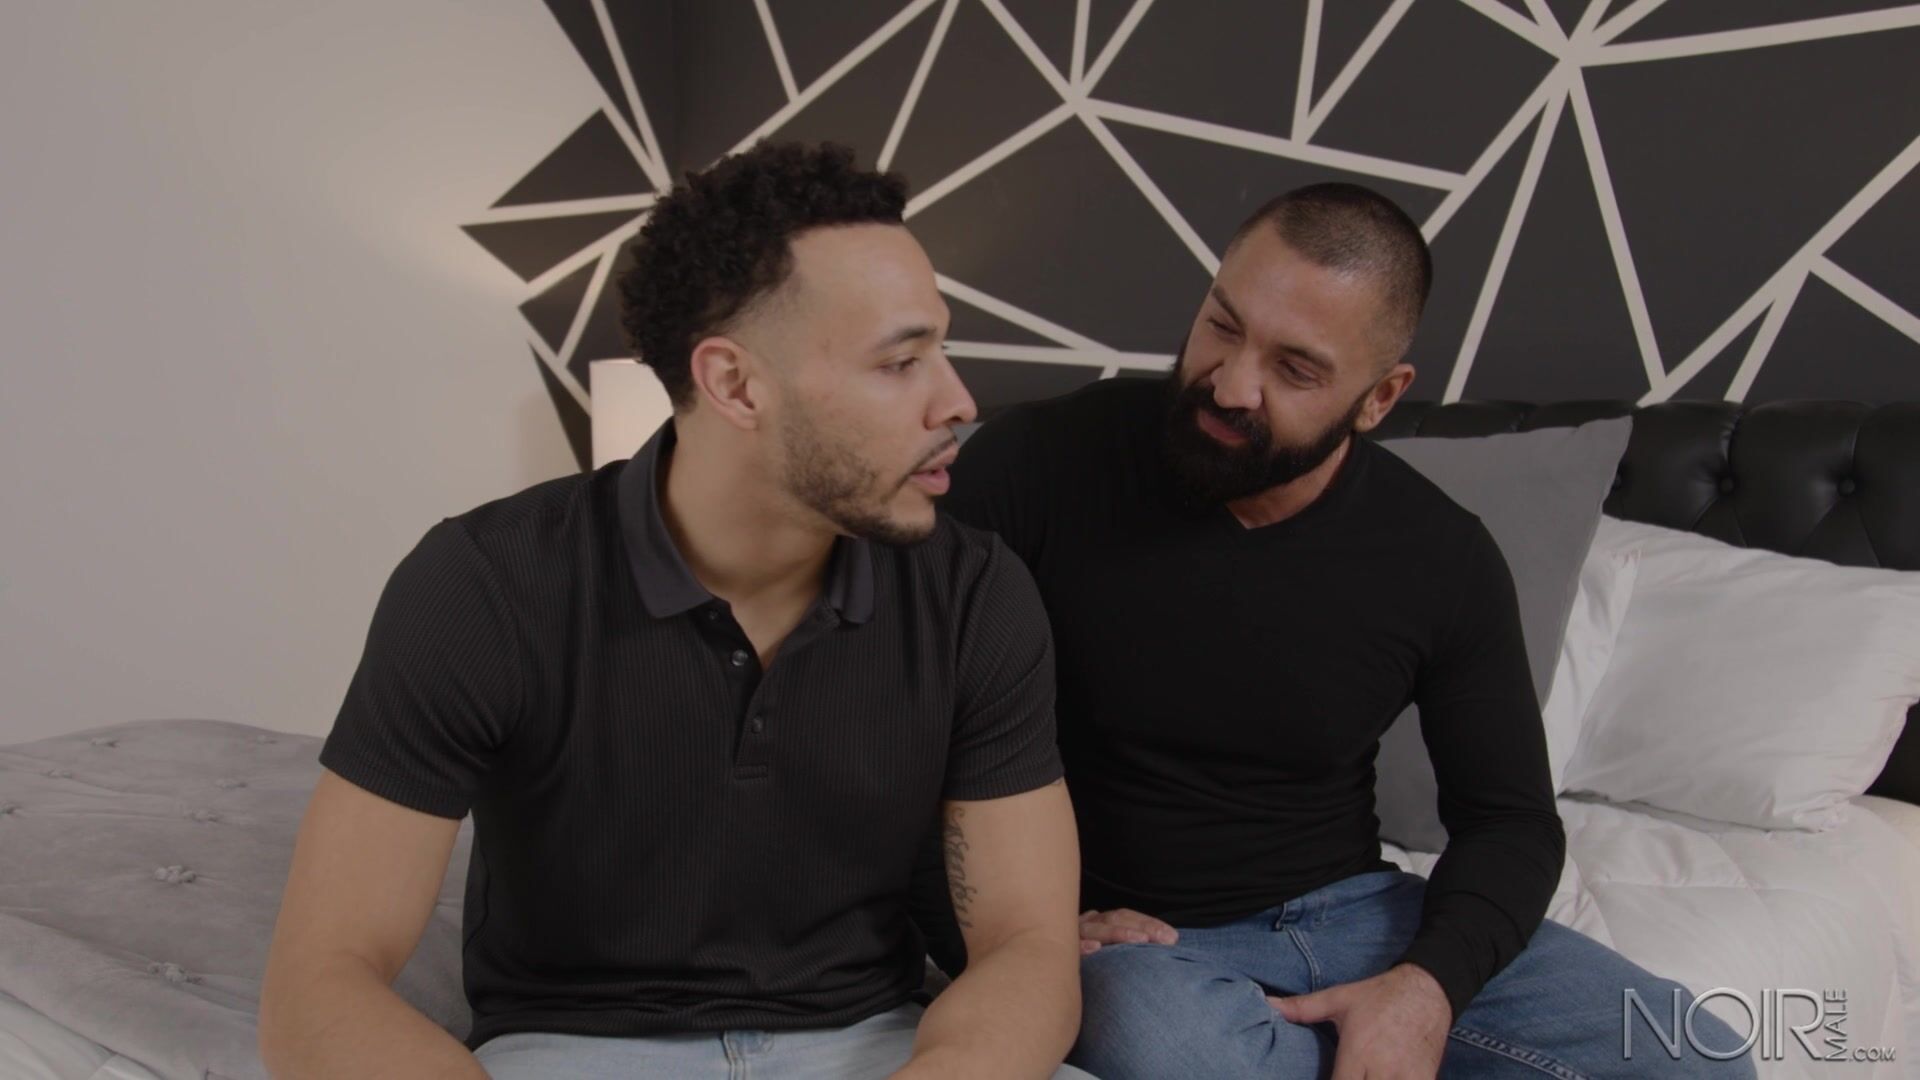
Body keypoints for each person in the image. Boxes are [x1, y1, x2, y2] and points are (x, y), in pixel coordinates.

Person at [259, 141, 1090, 1080]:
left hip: (882, 1045)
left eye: (939, 347)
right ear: (734, 384)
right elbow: (320, 981)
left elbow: (1027, 944)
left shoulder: (975, 592)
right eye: (902, 362)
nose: (958, 401)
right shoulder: (485, 585)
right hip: (574, 1053)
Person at [923, 182, 1757, 1078]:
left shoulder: (1442, 556)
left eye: (1295, 369)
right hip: (1140, 944)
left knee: (1698, 1056)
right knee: (1175, 1050)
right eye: (1222, 325)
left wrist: (1426, 987)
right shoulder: (1039, 464)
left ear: (1379, 398)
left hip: (1361, 919)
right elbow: (888, 734)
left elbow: (1511, 823)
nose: (1231, 383)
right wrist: (1022, 935)